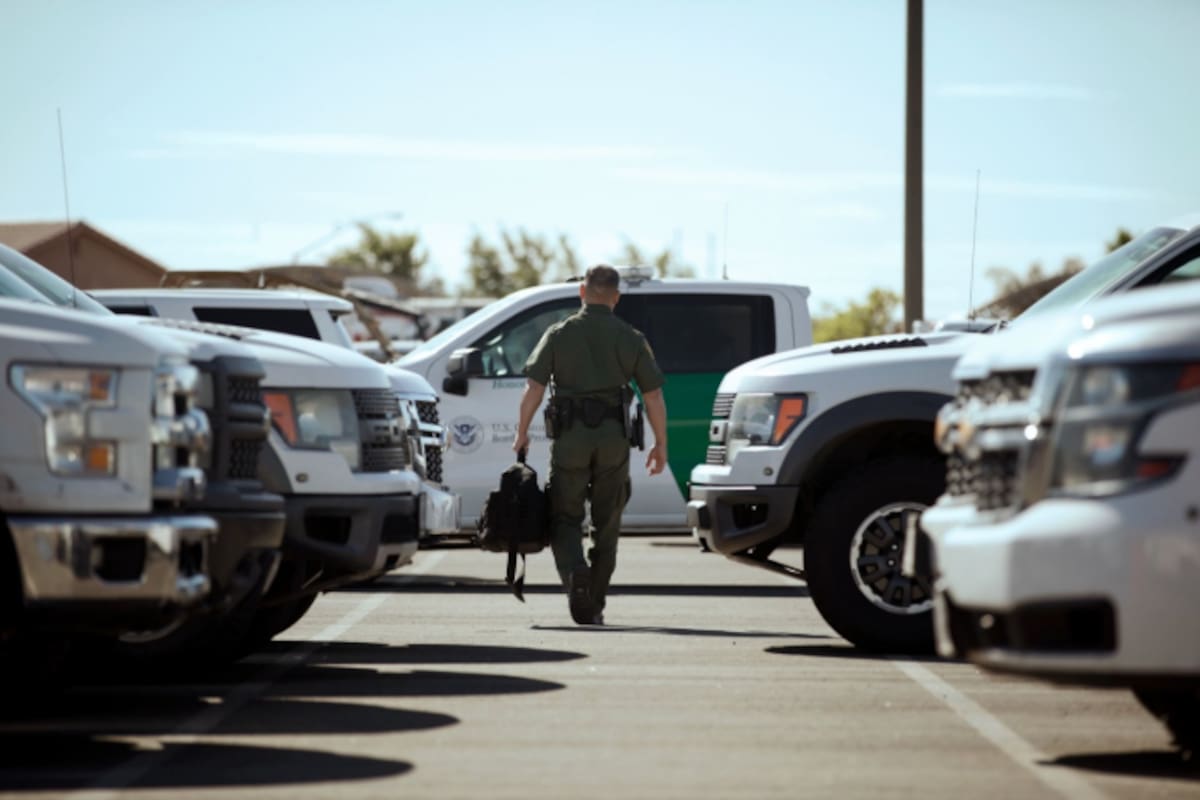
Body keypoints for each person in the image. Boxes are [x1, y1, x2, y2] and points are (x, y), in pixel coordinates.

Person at [513, 264, 668, 625]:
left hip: (570, 439)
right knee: (607, 523)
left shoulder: (559, 333)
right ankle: (594, 602)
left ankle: (575, 573)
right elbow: (653, 395)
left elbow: (533, 388)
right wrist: (660, 443)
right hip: (614, 440)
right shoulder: (631, 337)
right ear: (617, 298)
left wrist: (522, 433)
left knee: (565, 516)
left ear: (582, 292)